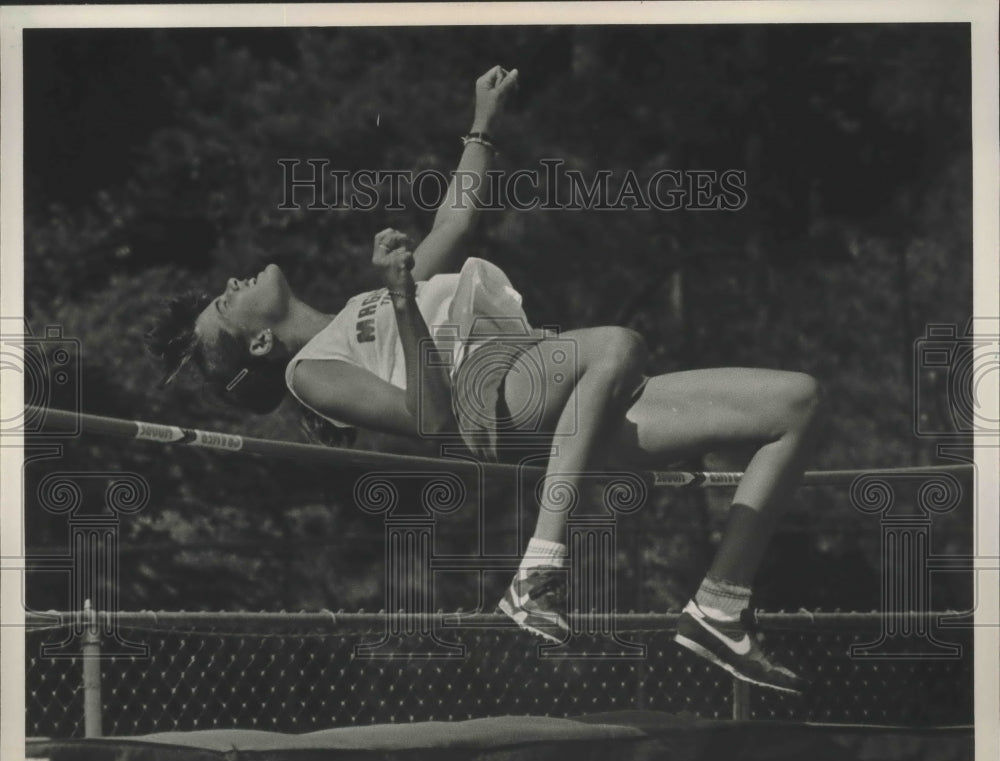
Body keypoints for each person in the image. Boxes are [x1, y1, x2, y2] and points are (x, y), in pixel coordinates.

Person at [147, 66, 823, 694]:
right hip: (490, 404)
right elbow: (432, 421)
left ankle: (719, 605)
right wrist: (406, 300)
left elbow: (457, 219)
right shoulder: (308, 373)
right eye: (225, 302)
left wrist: (483, 122)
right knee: (617, 344)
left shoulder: (362, 303)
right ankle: (537, 574)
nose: (232, 284)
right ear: (260, 342)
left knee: (794, 401)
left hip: (563, 399)